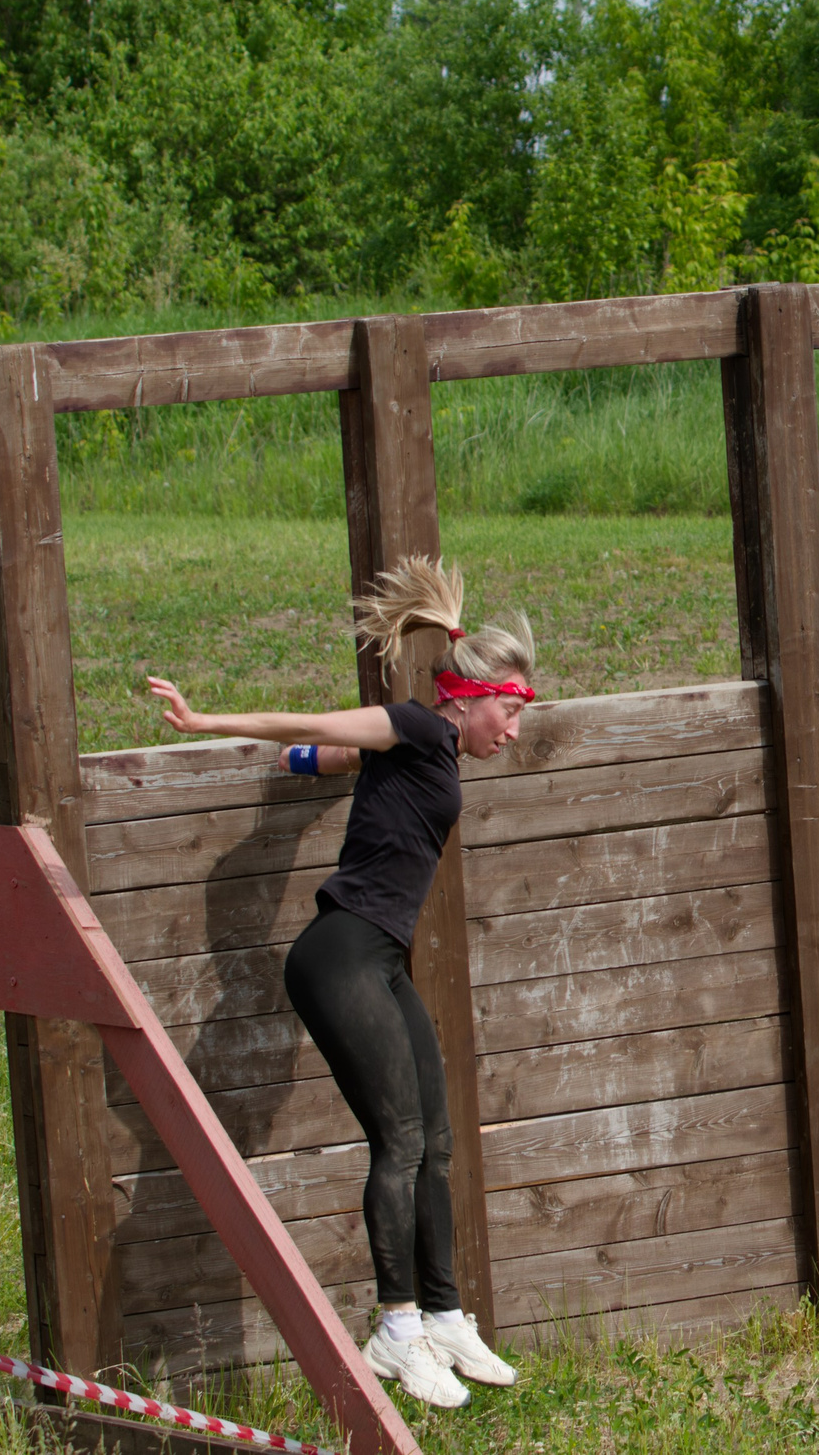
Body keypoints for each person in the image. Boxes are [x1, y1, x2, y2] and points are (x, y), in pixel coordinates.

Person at [145, 556, 530, 1412]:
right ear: (469, 697)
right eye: (508, 711)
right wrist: (206, 719)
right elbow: (320, 719)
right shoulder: (421, 728)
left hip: (376, 960)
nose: (512, 731)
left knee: (434, 1136)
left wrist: (305, 761)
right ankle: (396, 1332)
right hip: (339, 954)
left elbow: (330, 752)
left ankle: (444, 1309)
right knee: (398, 1139)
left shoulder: (426, 755)